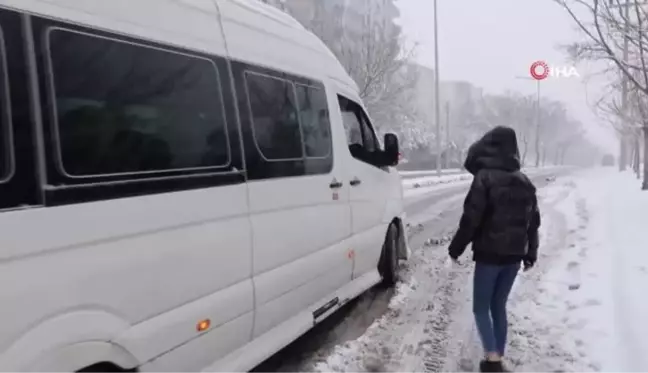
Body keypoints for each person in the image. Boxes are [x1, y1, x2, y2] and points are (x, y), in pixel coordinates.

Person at [446, 126, 541, 373]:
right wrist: (531, 253)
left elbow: (471, 219)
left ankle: (493, 359)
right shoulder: (525, 181)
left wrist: (455, 249)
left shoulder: (484, 178)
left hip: (489, 255)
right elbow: (533, 223)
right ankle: (497, 356)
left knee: (480, 307)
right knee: (498, 306)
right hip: (514, 256)